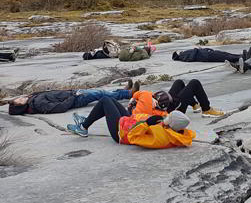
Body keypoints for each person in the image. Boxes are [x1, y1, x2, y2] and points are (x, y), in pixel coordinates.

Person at [67, 96, 195, 148]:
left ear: (171, 125)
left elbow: (134, 137)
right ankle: (87, 121)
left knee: (105, 101)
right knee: (111, 101)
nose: (166, 118)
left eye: (168, 118)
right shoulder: (174, 131)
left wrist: (146, 124)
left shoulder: (160, 138)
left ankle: (83, 127)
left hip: (122, 134)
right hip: (129, 123)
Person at [8, 80, 140, 115]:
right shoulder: (37, 105)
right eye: (18, 101)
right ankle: (129, 94)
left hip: (73, 92)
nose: (20, 98)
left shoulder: (32, 99)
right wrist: (73, 96)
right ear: (21, 107)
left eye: (17, 99)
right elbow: (60, 107)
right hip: (76, 98)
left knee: (100, 92)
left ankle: (121, 91)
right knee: (100, 94)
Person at [129, 79, 225, 118]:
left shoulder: (135, 108)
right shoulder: (139, 111)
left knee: (179, 82)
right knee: (194, 83)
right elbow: (142, 94)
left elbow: (142, 94)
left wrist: (151, 98)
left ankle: (194, 104)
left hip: (166, 101)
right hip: (173, 110)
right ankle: (206, 110)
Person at [172, 47, 251, 64]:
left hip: (207, 53)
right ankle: (242, 58)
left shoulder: (183, 54)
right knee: (224, 57)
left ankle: (242, 55)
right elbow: (191, 58)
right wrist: (195, 49)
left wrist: (206, 49)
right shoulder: (182, 57)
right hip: (206, 57)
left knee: (225, 54)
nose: (180, 51)